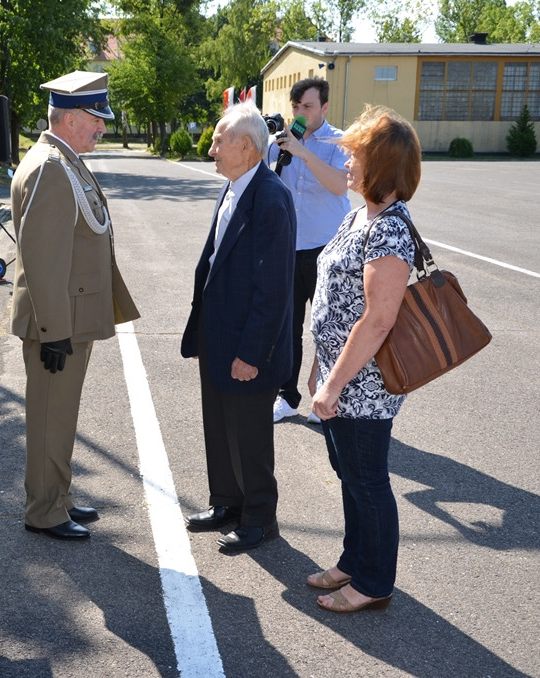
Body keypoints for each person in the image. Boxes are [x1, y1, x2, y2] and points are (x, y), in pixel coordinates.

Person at [10, 70, 139, 540]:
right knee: (50, 416)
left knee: (59, 416)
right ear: (67, 119)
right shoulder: (50, 166)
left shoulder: (61, 158)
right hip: (56, 322)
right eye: (95, 119)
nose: (102, 128)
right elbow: (44, 262)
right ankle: (44, 509)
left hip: (66, 317)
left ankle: (56, 495)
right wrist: (55, 331)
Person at [306, 105, 420, 613]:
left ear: (381, 164)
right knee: (350, 475)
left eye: (355, 155)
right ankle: (355, 559)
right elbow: (334, 297)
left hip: (364, 387)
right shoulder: (360, 215)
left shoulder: (391, 230)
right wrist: (318, 364)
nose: (347, 163)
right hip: (339, 376)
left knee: (368, 481)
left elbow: (377, 320)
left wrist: (331, 385)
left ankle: (374, 582)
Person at [181, 104, 295, 553]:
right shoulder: (234, 185)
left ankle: (260, 518)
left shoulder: (270, 198)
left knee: (249, 434)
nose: (210, 149)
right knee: (220, 425)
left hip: (249, 346)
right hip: (218, 336)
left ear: (246, 146)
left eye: (217, 141)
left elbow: (272, 290)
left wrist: (251, 353)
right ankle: (227, 502)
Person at [266, 78, 351, 425]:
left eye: (308, 107)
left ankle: (325, 394)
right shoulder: (281, 140)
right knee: (287, 326)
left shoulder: (338, 140)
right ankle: (287, 397)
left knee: (328, 326)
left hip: (326, 250)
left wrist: (303, 152)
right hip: (288, 248)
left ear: (325, 108)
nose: (300, 114)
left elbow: (338, 185)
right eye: (296, 107)